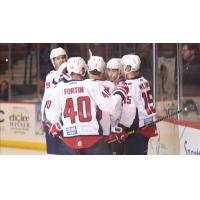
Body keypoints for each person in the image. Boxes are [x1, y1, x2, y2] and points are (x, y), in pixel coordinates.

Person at [44, 57, 129, 155]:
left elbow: (51, 117)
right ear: (83, 70)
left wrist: (60, 124)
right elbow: (111, 106)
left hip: (69, 140)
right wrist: (120, 92)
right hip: (93, 139)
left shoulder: (59, 88)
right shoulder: (91, 85)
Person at [119, 54, 158, 155]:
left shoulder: (128, 86)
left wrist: (124, 128)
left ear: (128, 68)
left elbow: (130, 111)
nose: (121, 68)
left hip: (137, 129)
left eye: (123, 66)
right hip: (148, 125)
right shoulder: (144, 80)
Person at [41, 47, 69, 154]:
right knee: (53, 154)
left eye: (63, 58)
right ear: (53, 62)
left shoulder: (70, 75)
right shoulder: (51, 76)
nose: (61, 60)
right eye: (58, 58)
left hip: (66, 123)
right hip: (52, 123)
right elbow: (57, 82)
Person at [105, 58, 126, 154]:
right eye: (109, 70)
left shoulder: (125, 85)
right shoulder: (109, 85)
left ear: (120, 71)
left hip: (122, 130)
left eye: (113, 70)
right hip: (111, 131)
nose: (110, 73)